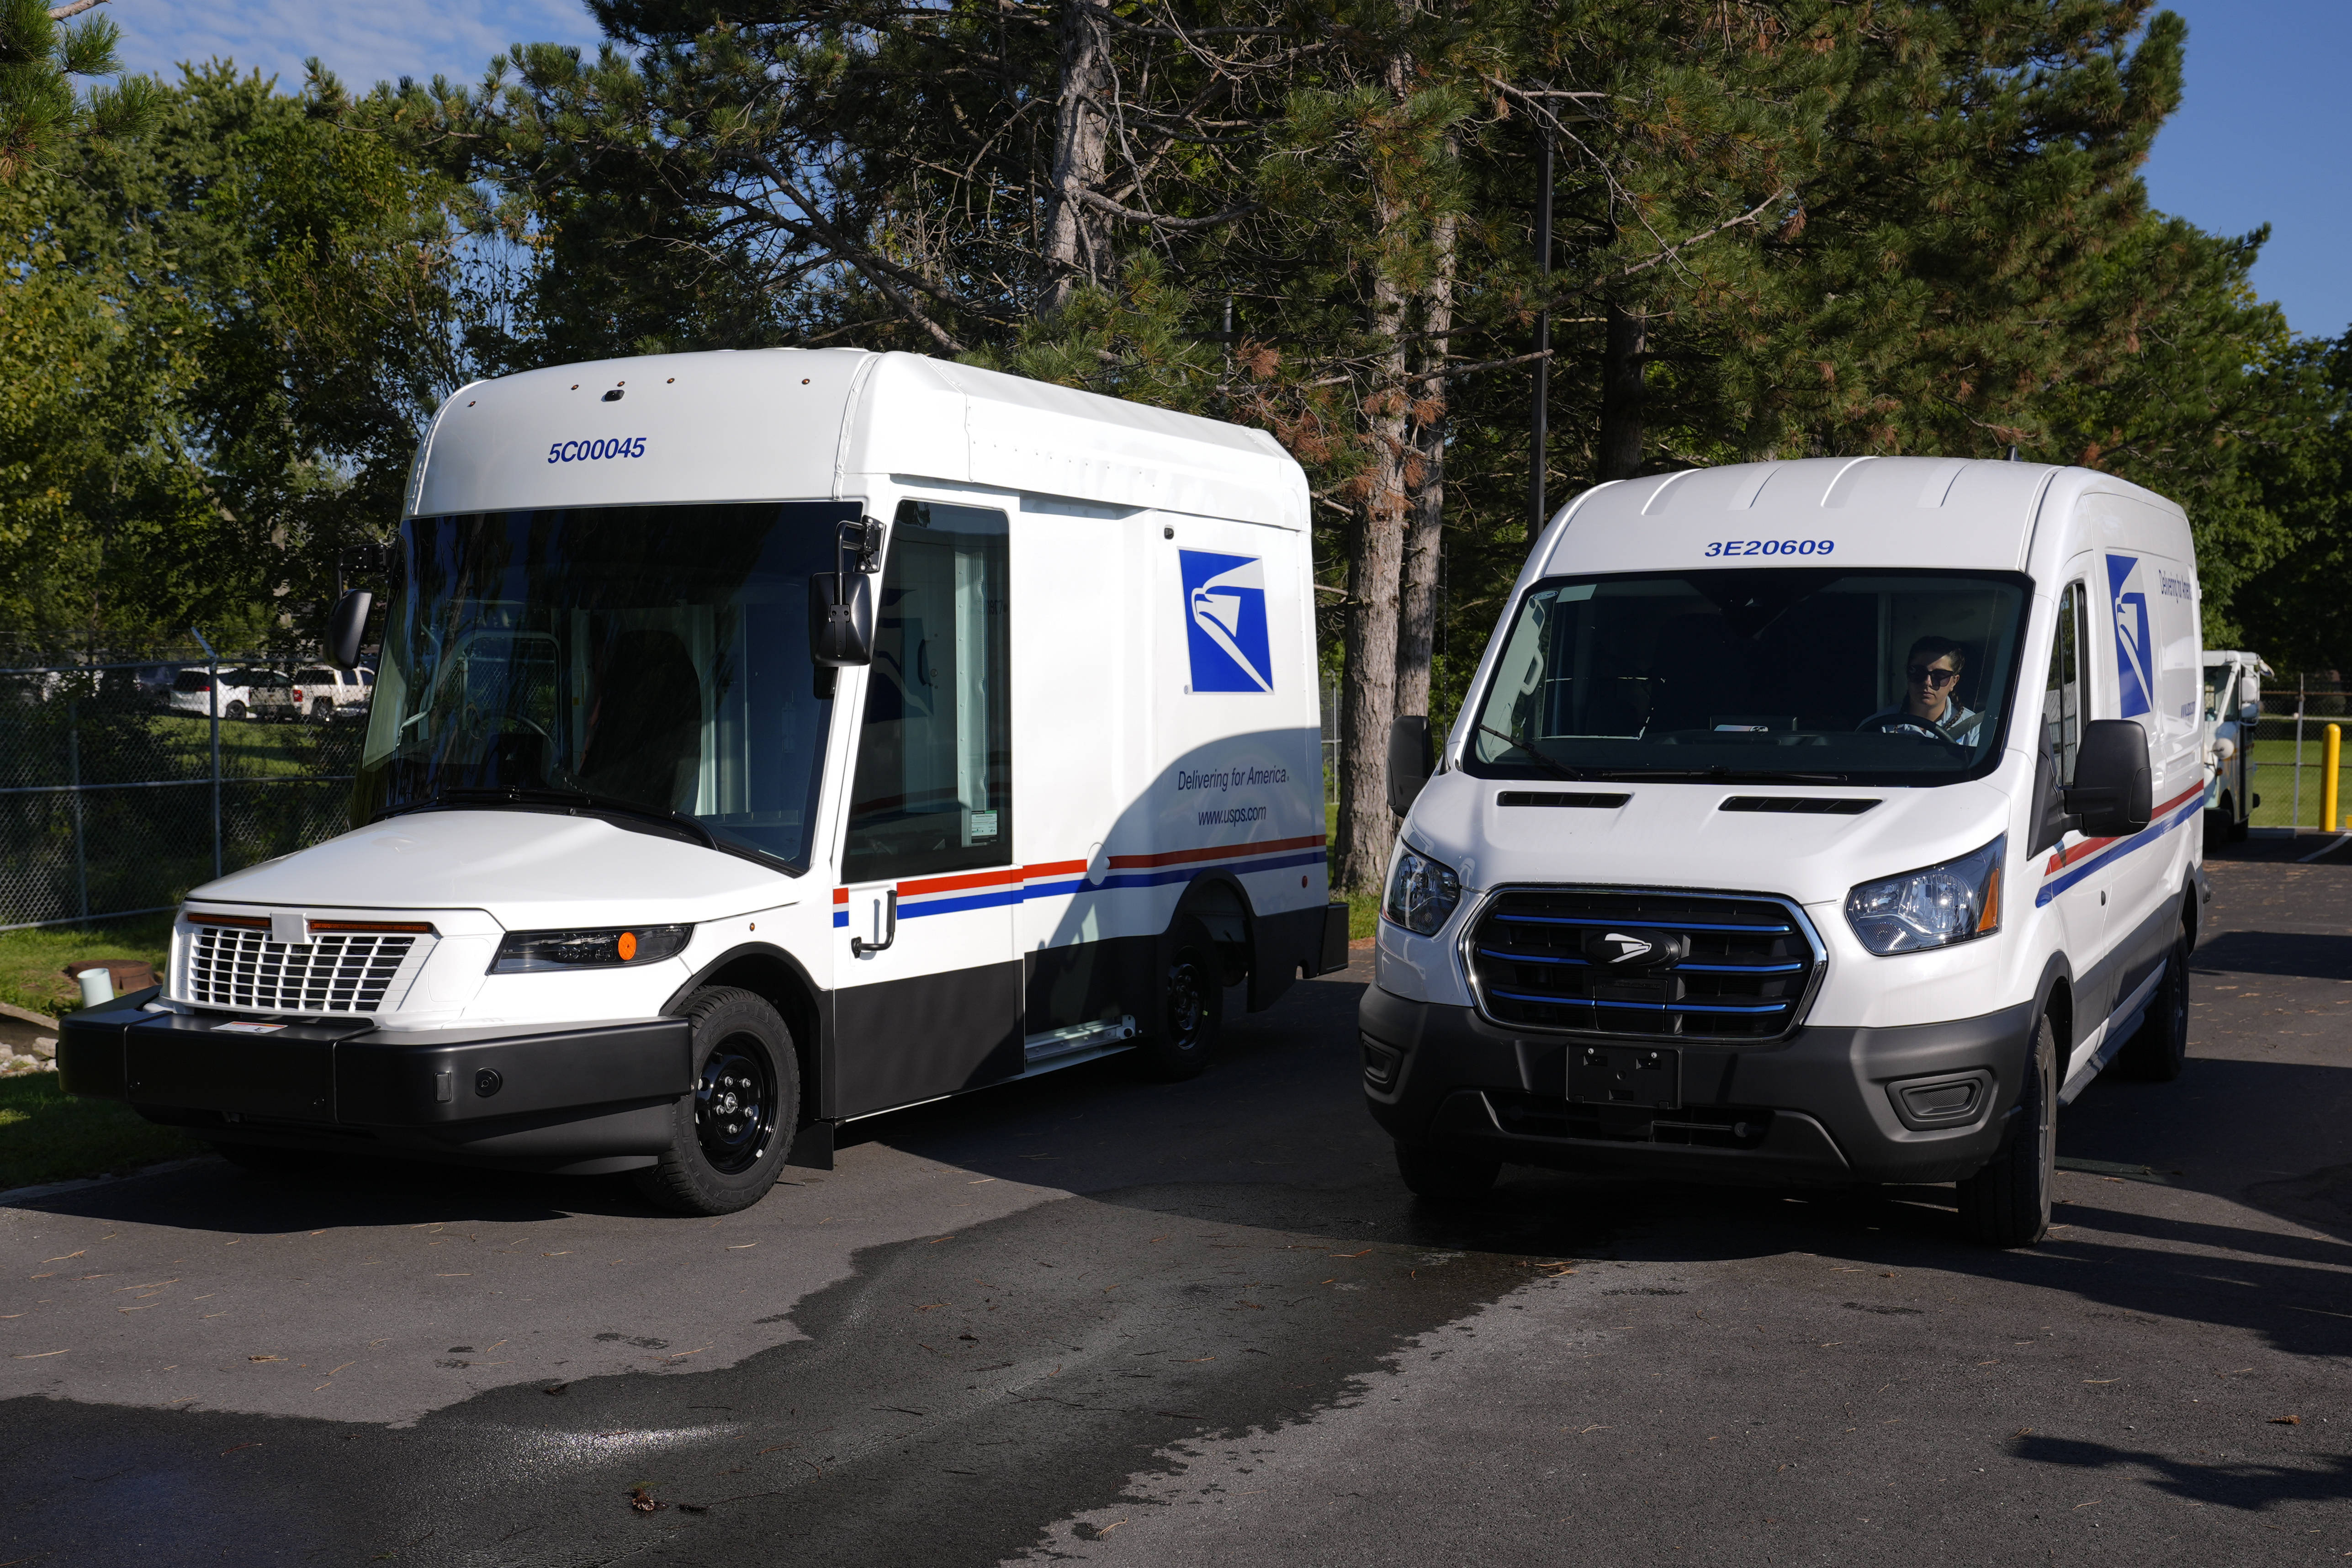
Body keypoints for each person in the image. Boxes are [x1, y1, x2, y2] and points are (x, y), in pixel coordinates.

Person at [1860, 635, 1984, 745]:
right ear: (1907, 673)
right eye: (1918, 672)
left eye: (1940, 675)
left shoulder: (1974, 730)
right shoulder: (1877, 727)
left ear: (1954, 682)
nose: (1927, 682)